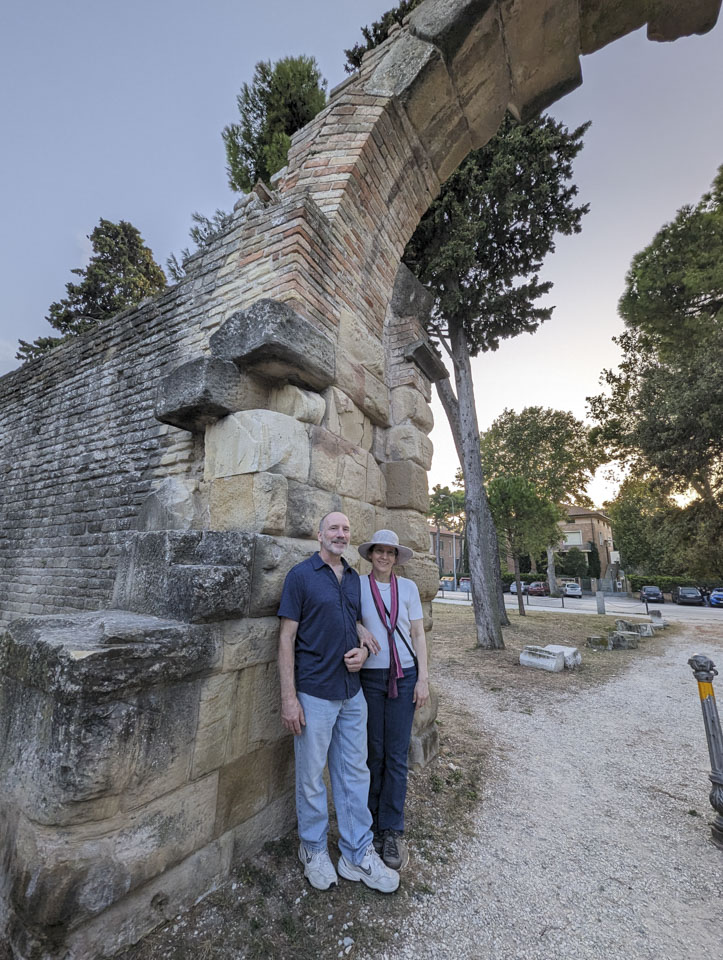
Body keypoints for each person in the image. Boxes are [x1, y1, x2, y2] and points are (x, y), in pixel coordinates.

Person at [277, 512, 400, 893]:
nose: (340, 534)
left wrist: (363, 651)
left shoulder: (352, 579)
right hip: (314, 693)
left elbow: (356, 625)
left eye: (346, 529)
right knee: (311, 777)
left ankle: (356, 852)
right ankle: (313, 848)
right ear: (319, 534)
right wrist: (288, 698)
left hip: (352, 693)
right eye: (334, 528)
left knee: (354, 774)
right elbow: (285, 639)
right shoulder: (301, 576)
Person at [357, 529, 430, 871]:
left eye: (390, 552)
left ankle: (390, 829)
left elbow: (417, 633)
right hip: (371, 677)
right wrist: (359, 629)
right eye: (379, 551)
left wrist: (424, 680)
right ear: (371, 555)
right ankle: (368, 823)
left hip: (405, 677)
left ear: (397, 558)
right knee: (373, 753)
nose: (384, 557)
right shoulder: (358, 585)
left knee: (397, 755)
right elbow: (349, 616)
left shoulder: (409, 589)